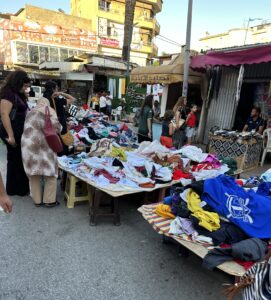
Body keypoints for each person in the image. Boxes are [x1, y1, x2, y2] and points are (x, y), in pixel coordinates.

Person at [21, 97, 62, 207]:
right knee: (51, 173)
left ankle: (37, 201)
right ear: (47, 103)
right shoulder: (50, 110)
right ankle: (49, 200)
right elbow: (57, 128)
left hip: (28, 145)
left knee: (34, 173)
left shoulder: (30, 112)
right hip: (45, 145)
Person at [0, 70, 30, 196]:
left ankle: (16, 189)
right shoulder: (8, 94)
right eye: (25, 86)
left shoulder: (16, 93)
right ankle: (15, 189)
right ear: (18, 83)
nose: (26, 88)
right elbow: (4, 114)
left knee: (17, 159)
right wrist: (11, 135)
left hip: (18, 131)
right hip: (12, 131)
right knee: (15, 160)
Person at [43, 81, 75, 154]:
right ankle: (61, 159)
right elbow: (72, 99)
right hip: (59, 125)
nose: (57, 90)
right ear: (53, 89)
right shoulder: (56, 100)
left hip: (48, 126)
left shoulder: (43, 100)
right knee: (62, 144)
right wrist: (61, 93)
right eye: (57, 88)